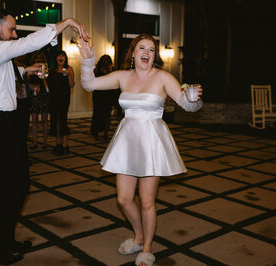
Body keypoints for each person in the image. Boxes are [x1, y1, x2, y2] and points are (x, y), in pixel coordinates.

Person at [0, 8, 89, 265]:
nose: (14, 35)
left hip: (5, 123)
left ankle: (5, 239)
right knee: (9, 188)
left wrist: (26, 71)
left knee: (20, 183)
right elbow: (28, 42)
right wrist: (66, 22)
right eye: (10, 29)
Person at [77, 34, 203, 266]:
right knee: (124, 199)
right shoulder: (123, 77)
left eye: (152, 49)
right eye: (142, 48)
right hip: (126, 141)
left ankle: (146, 247)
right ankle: (139, 235)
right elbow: (89, 84)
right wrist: (86, 61)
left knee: (146, 201)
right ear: (133, 53)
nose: (147, 52)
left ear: (155, 56)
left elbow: (188, 105)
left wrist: (193, 98)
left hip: (151, 142)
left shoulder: (163, 77)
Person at [47, 50, 75, 155]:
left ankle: (65, 145)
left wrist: (68, 75)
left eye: (63, 56)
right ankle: (58, 144)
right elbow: (46, 82)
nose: (61, 57)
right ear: (56, 58)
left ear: (65, 58)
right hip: (53, 98)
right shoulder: (52, 70)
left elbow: (72, 85)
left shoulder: (69, 69)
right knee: (55, 120)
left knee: (63, 120)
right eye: (59, 56)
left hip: (64, 98)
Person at [90, 54, 118, 139]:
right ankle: (96, 132)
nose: (105, 62)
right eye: (104, 60)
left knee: (107, 115)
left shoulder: (113, 70)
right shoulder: (96, 70)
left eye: (107, 60)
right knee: (97, 113)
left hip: (109, 95)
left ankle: (106, 133)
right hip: (98, 94)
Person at [26, 51, 50, 149]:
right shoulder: (30, 68)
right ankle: (35, 142)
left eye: (40, 59)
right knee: (34, 120)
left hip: (43, 95)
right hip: (33, 95)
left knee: (44, 120)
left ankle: (44, 141)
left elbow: (44, 79)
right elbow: (27, 81)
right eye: (37, 59)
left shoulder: (45, 68)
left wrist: (39, 84)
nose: (39, 60)